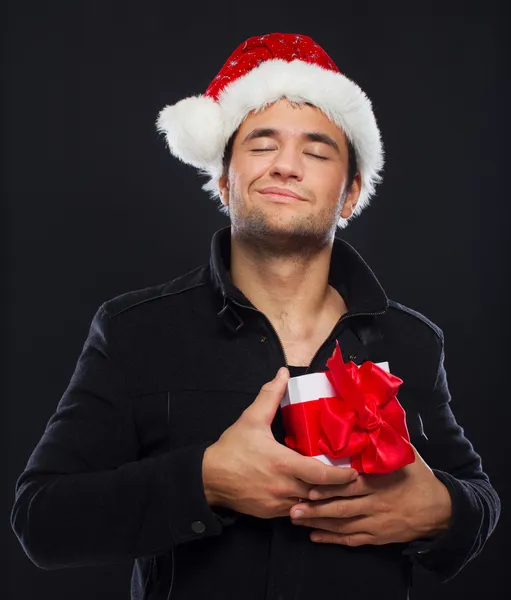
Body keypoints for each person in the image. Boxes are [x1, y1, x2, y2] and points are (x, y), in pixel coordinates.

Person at [11, 33, 500, 600]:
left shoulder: (413, 341)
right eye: (262, 146)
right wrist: (204, 482)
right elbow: (41, 520)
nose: (287, 166)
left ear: (351, 194)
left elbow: (478, 498)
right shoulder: (133, 331)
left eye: (317, 152)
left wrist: (442, 510)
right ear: (224, 181)